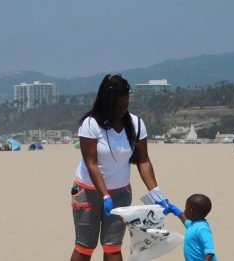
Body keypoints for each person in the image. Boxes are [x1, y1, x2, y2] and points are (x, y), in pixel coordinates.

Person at [70, 74, 165, 261]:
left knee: (112, 247)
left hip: (121, 193)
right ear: (106, 103)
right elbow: (91, 163)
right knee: (85, 247)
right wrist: (105, 195)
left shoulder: (136, 124)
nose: (122, 110)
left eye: (125, 106)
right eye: (118, 107)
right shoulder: (91, 124)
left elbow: (143, 161)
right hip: (87, 192)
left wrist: (157, 194)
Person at [159, 194, 218, 261]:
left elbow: (210, 252)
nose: (184, 210)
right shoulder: (193, 224)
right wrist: (175, 210)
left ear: (190, 211)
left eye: (185, 208)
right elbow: (185, 221)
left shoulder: (203, 229)